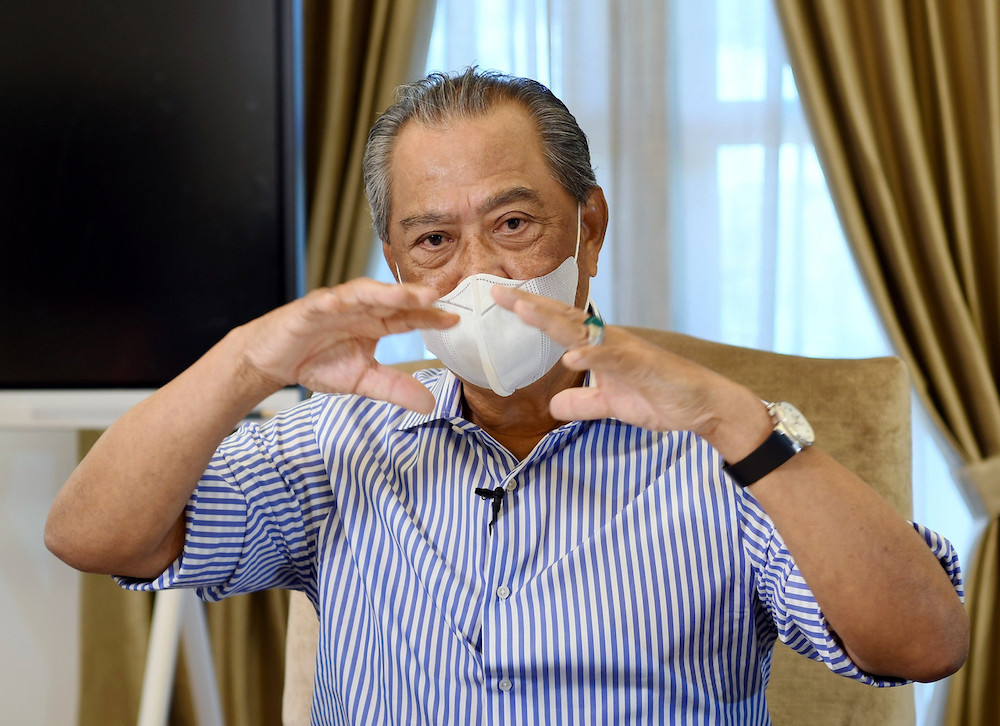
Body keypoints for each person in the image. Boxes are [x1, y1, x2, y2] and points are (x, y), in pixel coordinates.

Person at [46, 68, 968, 724]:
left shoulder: (725, 452)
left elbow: (923, 645)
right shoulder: (341, 439)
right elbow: (90, 535)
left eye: (514, 224)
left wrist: (740, 425)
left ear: (589, 228)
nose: (479, 274)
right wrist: (249, 363)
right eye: (434, 242)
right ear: (398, 264)